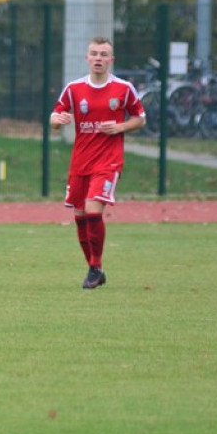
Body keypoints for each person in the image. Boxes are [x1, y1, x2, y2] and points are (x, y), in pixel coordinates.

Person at [50, 36, 145, 290]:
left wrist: (120, 127)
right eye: (94, 54)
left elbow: (140, 118)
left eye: (104, 55)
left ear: (111, 60)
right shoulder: (74, 89)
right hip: (80, 162)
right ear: (87, 58)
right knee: (80, 216)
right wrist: (58, 120)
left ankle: (95, 266)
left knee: (93, 210)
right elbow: (54, 117)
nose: (98, 59)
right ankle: (95, 269)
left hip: (108, 161)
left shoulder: (123, 89)